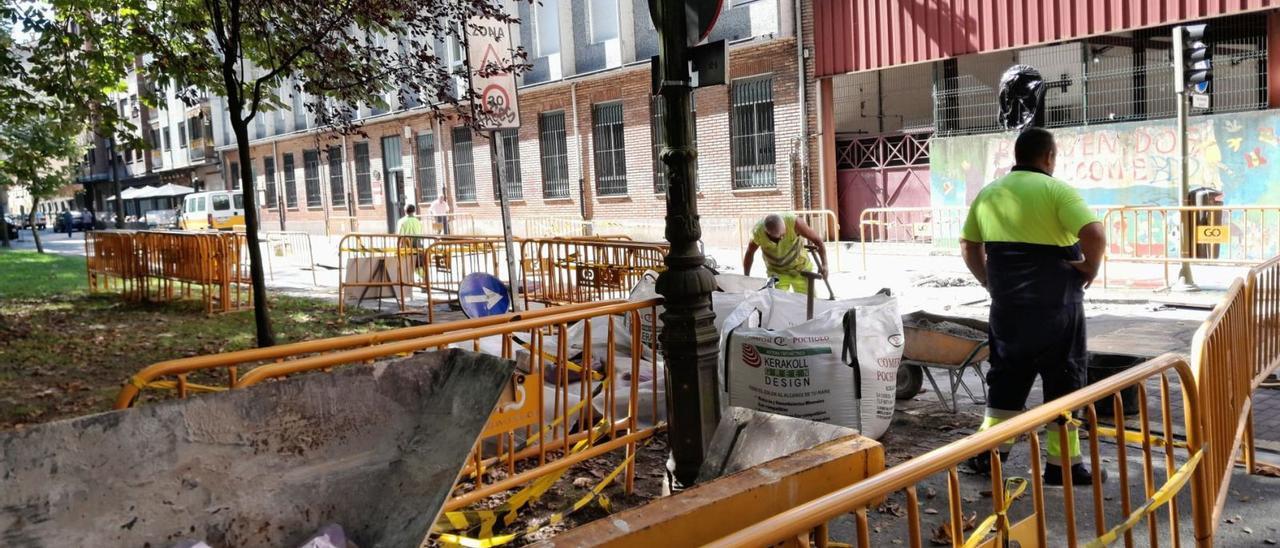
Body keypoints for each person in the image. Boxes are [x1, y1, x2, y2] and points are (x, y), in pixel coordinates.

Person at [959, 127, 1107, 486]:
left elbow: (968, 244)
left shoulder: (989, 194)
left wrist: (988, 281)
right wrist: (1090, 267)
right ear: (1049, 157)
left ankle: (989, 456)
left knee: (1006, 382)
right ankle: (1064, 467)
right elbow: (1095, 234)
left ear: (1017, 156)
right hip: (1058, 312)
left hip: (1009, 311)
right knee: (1065, 383)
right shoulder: (1057, 191)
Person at [743, 213, 828, 294]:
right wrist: (746, 277)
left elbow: (818, 241)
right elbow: (750, 253)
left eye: (783, 234)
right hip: (777, 272)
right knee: (779, 302)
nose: (782, 238)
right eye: (778, 238)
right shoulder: (758, 232)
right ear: (767, 233)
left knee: (808, 303)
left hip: (800, 269)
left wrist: (824, 264)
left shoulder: (795, 223)